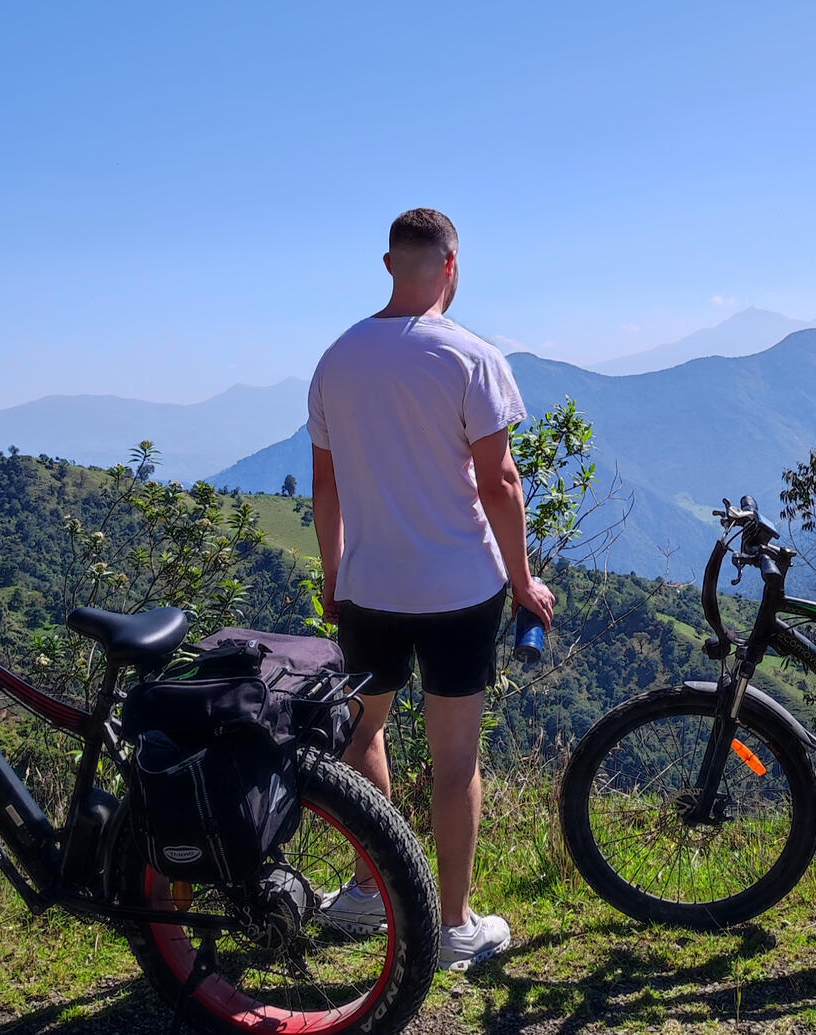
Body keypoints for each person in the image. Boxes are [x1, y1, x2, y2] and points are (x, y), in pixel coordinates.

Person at [307, 208, 556, 971]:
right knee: (455, 761)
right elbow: (499, 481)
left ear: (390, 265)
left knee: (363, 732)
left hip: (370, 584)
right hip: (457, 587)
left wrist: (333, 576)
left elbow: (326, 486)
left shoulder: (335, 360)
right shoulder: (471, 358)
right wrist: (522, 581)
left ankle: (368, 886)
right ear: (452, 265)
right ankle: (450, 925)